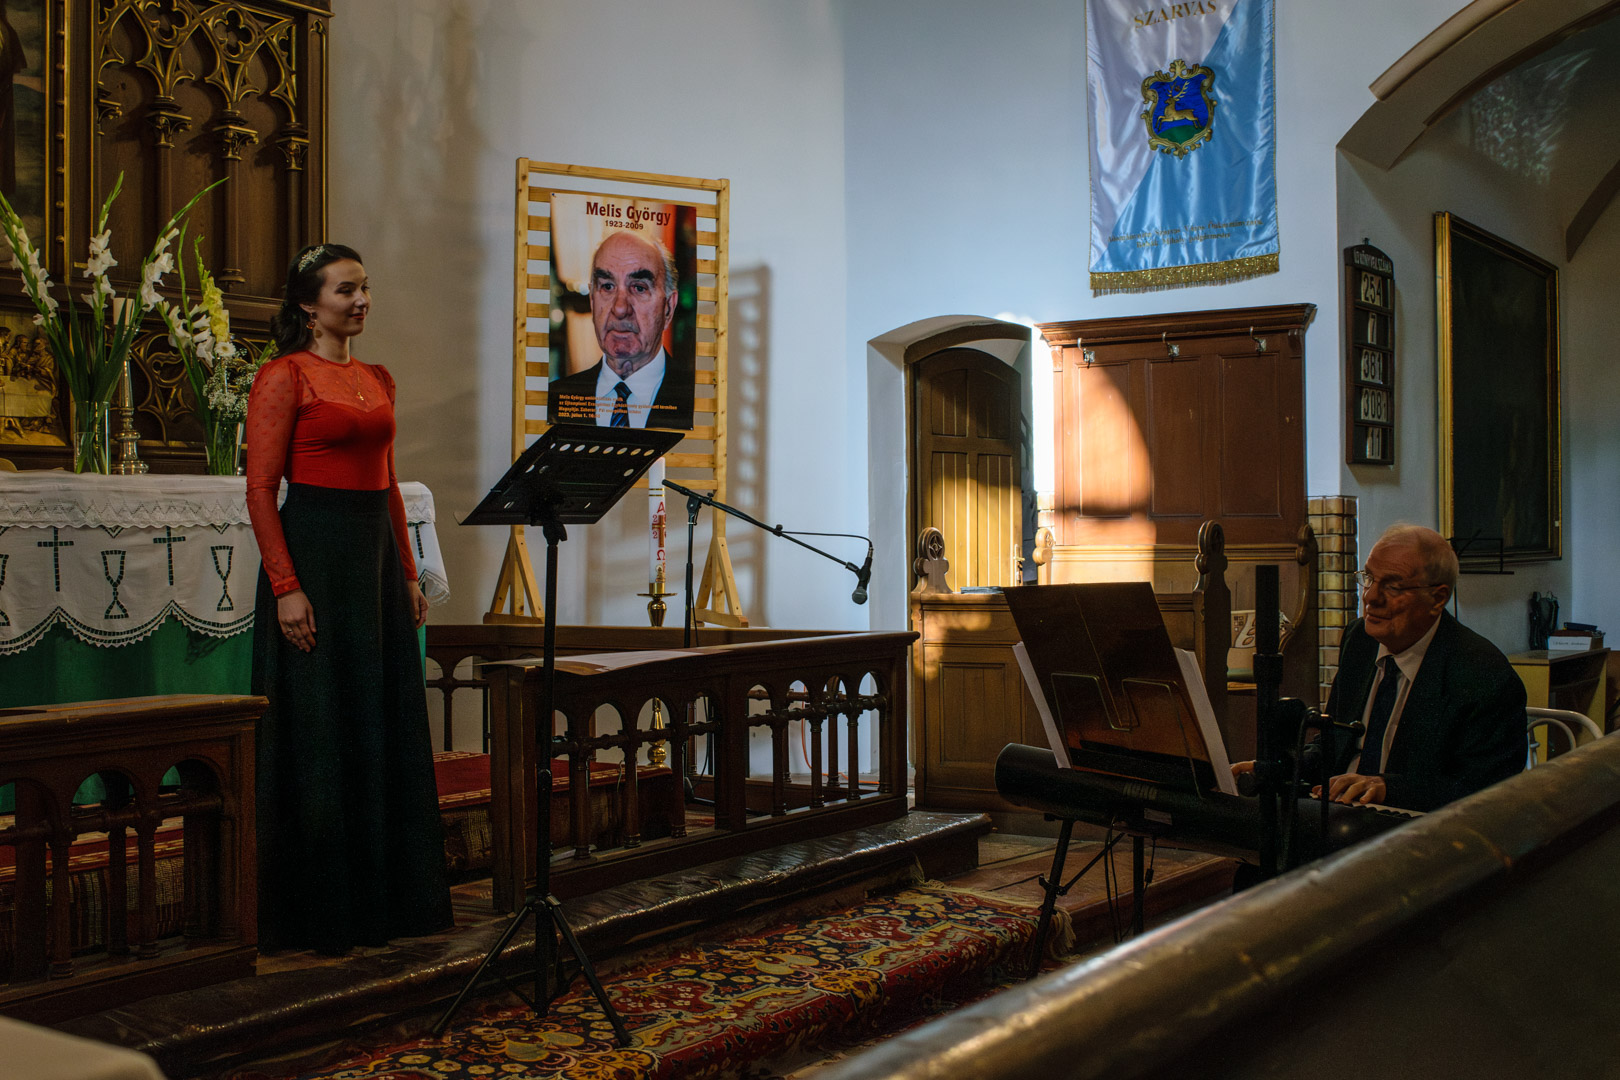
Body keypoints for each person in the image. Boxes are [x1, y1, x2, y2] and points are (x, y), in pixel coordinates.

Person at [244, 242, 451, 954]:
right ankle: (321, 914)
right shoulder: (284, 376)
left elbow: (388, 484)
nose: (361, 300)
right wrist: (286, 587)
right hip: (316, 559)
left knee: (377, 720)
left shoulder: (377, 377)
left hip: (374, 564)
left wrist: (407, 573)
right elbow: (260, 491)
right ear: (309, 305)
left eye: (365, 288)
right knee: (321, 729)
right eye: (345, 290)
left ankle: (387, 906)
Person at [1313, 523, 1526, 812]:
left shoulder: (1483, 674)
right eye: (1369, 578)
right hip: (1340, 812)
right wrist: (1273, 766)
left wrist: (1389, 789)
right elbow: (1333, 744)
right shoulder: (1359, 640)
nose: (1370, 597)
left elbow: (1485, 791)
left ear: (1437, 599)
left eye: (1393, 586)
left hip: (1419, 826)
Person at [548, 230, 695, 430]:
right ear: (592, 301)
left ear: (668, 307)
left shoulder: (697, 400)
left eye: (639, 288)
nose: (620, 308)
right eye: (607, 286)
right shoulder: (555, 401)